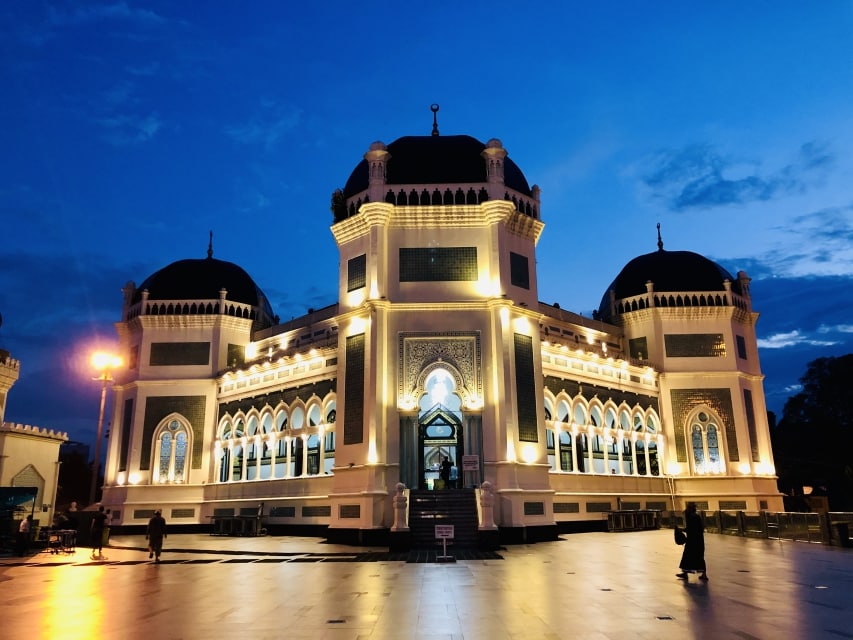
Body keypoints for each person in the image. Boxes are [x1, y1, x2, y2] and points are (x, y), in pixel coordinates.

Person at [676, 502, 708, 581]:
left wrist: (682, 530)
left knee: (687, 556)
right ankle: (703, 574)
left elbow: (691, 528)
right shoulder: (696, 516)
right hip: (698, 540)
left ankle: (685, 573)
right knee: (699, 557)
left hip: (693, 540)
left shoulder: (691, 517)